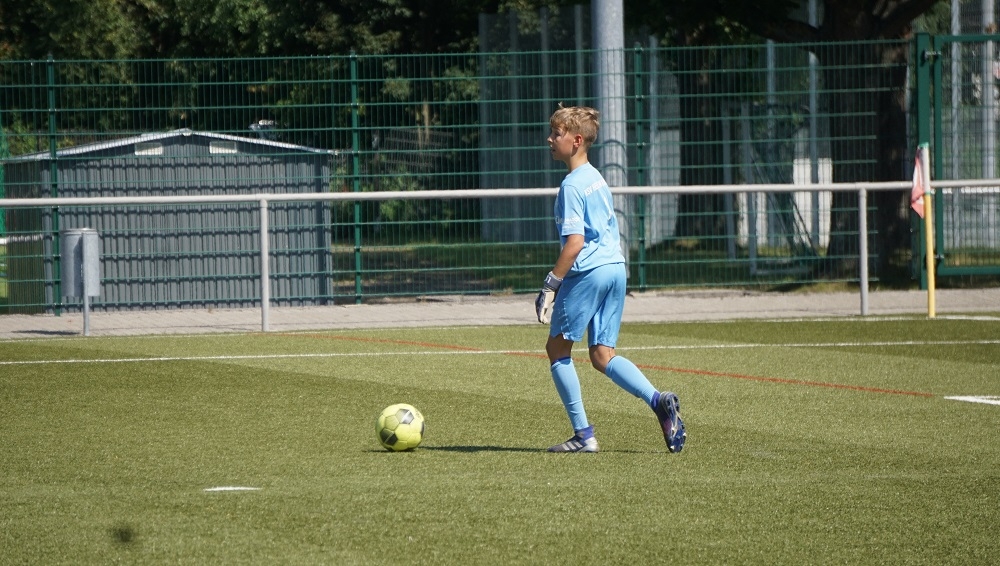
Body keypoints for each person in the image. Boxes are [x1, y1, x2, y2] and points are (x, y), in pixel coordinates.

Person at [535, 104, 686, 453]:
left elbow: (575, 243)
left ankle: (584, 435)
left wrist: (551, 283)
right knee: (602, 354)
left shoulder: (571, 185)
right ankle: (658, 400)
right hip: (616, 268)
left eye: (556, 134)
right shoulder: (596, 177)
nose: (550, 139)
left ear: (576, 141)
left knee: (557, 349)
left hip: (589, 272)